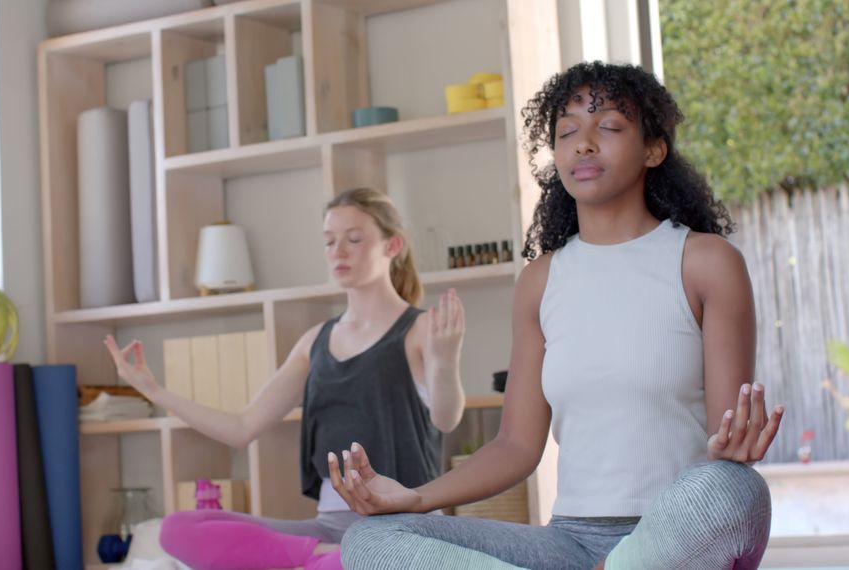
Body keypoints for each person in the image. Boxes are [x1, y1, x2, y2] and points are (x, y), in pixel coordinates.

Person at [327, 61, 786, 570]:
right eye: (567, 132)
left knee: (734, 487)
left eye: (608, 127)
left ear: (654, 149)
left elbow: (725, 442)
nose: (583, 144)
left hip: (673, 535)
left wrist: (738, 446)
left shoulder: (706, 261)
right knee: (369, 542)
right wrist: (412, 497)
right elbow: (517, 446)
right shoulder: (541, 281)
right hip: (569, 545)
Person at [104, 187, 468, 570]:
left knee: (353, 562)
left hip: (401, 527)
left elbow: (446, 419)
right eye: (329, 242)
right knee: (178, 528)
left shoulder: (423, 328)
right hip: (329, 532)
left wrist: (445, 360)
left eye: (354, 239)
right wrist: (155, 392)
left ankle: (343, 558)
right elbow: (242, 427)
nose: (338, 251)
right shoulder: (314, 342)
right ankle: (327, 557)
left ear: (392, 246)